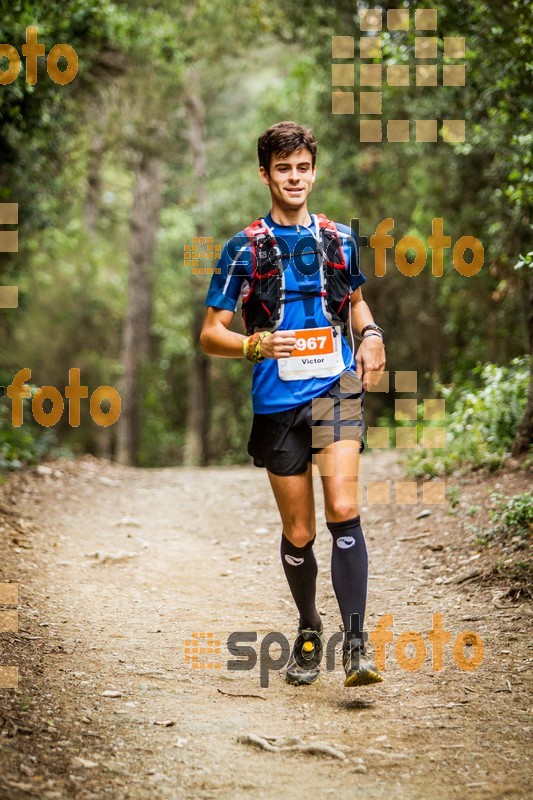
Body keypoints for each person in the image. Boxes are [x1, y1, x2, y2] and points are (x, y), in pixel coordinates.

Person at [200, 121, 386, 687]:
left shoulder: (337, 239)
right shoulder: (244, 248)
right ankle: (309, 627)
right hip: (277, 401)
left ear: (314, 170)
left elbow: (356, 302)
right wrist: (255, 344)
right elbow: (211, 333)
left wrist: (372, 333)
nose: (295, 177)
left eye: (303, 167)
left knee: (344, 509)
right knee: (300, 531)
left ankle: (356, 645)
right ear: (266, 174)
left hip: (336, 388)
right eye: (284, 168)